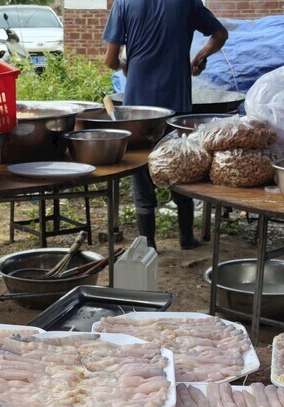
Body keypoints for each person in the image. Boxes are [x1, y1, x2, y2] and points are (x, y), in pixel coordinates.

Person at [103, 0, 228, 250]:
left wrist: (127, 65)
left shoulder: (124, 3)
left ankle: (148, 244)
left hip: (139, 108)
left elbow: (109, 60)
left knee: (141, 168)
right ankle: (186, 238)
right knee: (181, 165)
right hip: (176, 103)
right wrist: (199, 57)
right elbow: (220, 34)